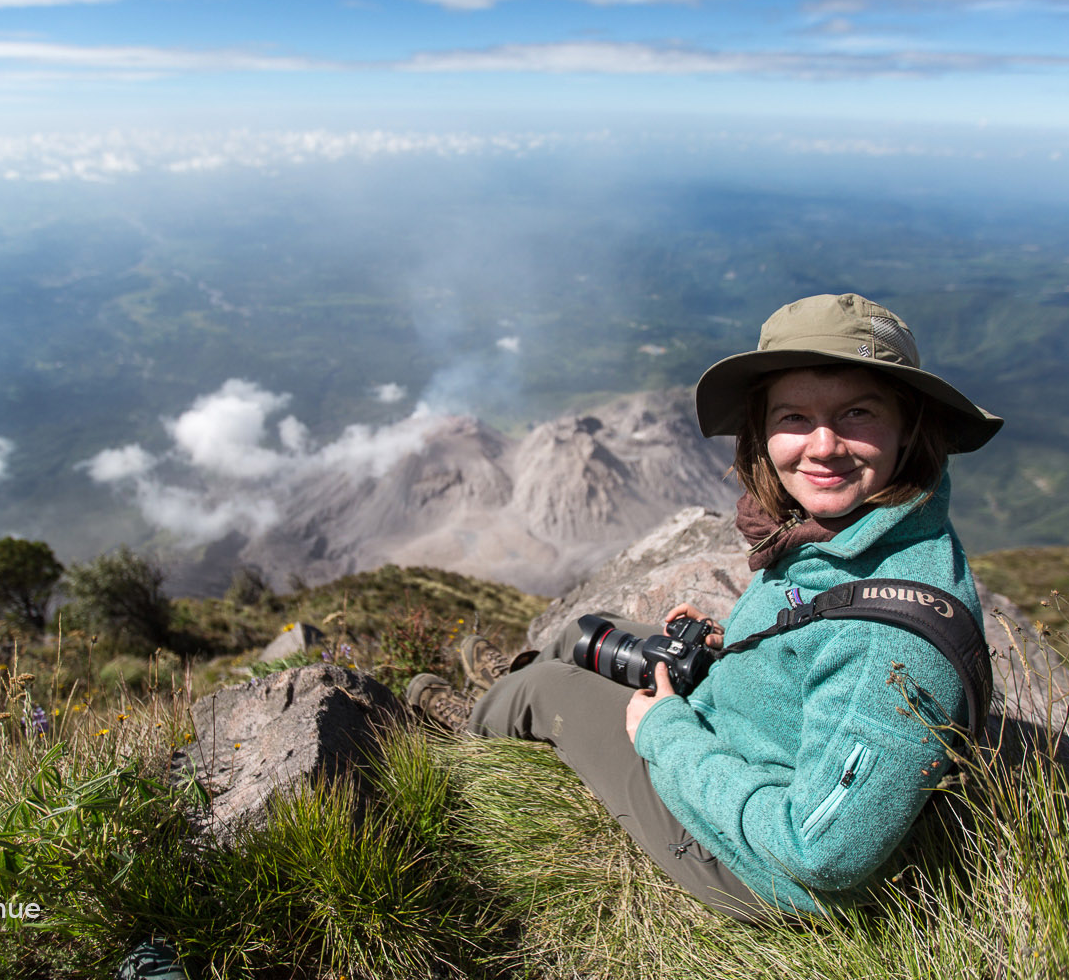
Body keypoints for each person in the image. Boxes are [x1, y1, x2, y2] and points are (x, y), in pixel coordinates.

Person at [407, 293, 1002, 920]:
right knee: (588, 632)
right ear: (763, 428)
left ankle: (474, 731)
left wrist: (666, 736)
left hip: (754, 867)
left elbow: (821, 851)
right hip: (747, 738)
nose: (823, 445)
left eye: (857, 414)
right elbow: (814, 640)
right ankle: (505, 686)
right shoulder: (858, 529)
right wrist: (737, 646)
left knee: (550, 690)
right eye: (794, 417)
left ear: (911, 427)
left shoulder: (896, 649)